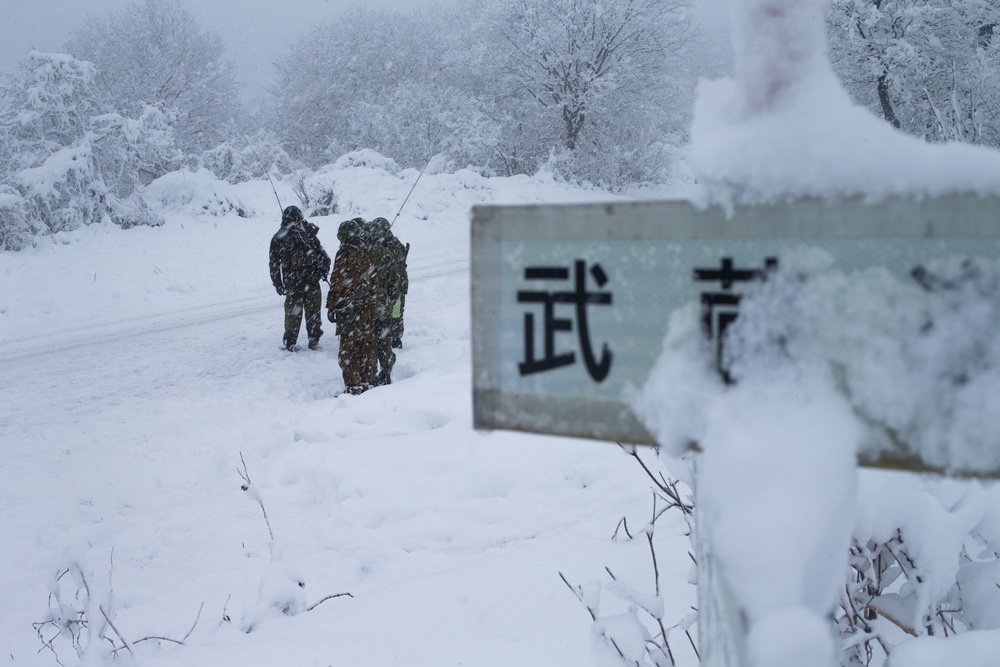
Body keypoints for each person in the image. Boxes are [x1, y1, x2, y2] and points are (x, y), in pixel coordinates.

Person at [327, 218, 380, 394]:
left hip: (349, 309)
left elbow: (337, 282)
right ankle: (368, 380)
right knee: (366, 344)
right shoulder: (369, 252)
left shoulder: (344, 254)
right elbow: (374, 282)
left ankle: (353, 385)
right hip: (367, 307)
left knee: (349, 349)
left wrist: (332, 306)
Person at [269, 205, 330, 352]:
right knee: (292, 314)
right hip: (293, 282)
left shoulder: (308, 234)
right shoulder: (279, 238)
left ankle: (314, 339)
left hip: (311, 280)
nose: (295, 224)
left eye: (297, 221)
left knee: (314, 312)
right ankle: (290, 341)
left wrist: (322, 269)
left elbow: (323, 255)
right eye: (292, 221)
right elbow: (274, 263)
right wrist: (278, 283)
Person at [368, 219, 401, 386]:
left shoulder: (364, 254)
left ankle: (372, 374)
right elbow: (395, 280)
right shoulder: (386, 253)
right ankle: (386, 371)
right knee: (384, 340)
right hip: (384, 303)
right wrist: (392, 299)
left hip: (369, 304)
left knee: (371, 341)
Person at [372, 217, 409, 349]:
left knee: (396, 312)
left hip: (397, 285)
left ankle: (396, 339)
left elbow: (395, 268)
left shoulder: (392, 244)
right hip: (394, 284)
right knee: (391, 311)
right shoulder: (387, 242)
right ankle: (389, 335)